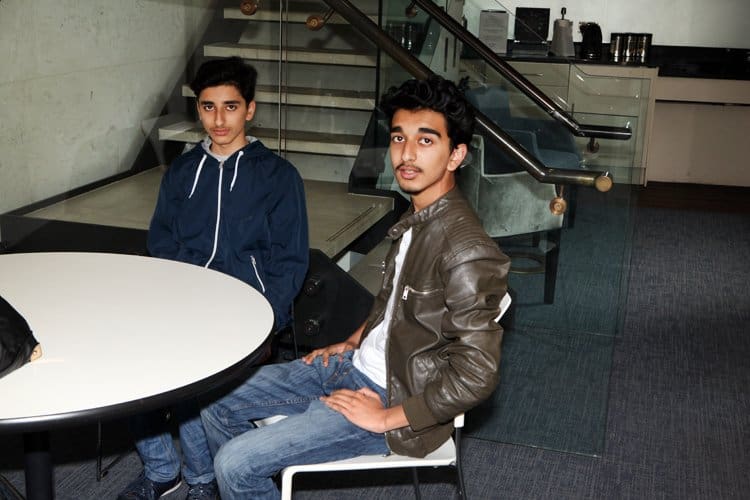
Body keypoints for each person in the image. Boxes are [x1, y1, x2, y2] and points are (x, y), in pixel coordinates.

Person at [199, 75, 511, 499]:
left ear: (456, 154)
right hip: (355, 365)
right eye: (399, 138)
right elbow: (394, 303)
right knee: (211, 400)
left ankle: (246, 477)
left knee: (235, 464)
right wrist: (352, 341)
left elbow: (477, 375)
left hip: (393, 398)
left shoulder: (466, 250)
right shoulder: (418, 218)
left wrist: (385, 418)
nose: (406, 154)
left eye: (425, 141)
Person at [118, 57, 309, 500]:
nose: (219, 120)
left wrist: (268, 321)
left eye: (230, 106)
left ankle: (202, 479)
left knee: (197, 373)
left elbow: (290, 260)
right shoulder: (182, 171)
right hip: (181, 301)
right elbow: (161, 240)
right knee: (127, 358)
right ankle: (162, 469)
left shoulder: (278, 177)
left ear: (250, 109)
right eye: (208, 107)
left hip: (245, 312)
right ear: (198, 110)